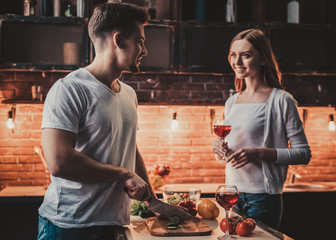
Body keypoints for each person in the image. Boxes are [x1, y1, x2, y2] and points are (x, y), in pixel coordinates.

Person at [37, 3, 188, 240]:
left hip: (112, 225)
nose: (144, 50)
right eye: (140, 41)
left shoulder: (128, 93)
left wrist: (152, 202)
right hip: (69, 225)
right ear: (118, 40)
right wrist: (121, 174)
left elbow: (130, 148)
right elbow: (59, 162)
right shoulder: (69, 89)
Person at [212, 29, 311, 229]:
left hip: (263, 199)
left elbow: (303, 154)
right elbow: (229, 157)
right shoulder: (232, 101)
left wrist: (259, 153)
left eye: (245, 55)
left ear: (263, 59)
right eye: (233, 55)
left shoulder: (282, 100)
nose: (237, 62)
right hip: (232, 196)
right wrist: (220, 151)